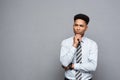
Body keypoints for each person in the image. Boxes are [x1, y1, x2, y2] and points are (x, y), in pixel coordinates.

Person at [60, 13, 98, 80]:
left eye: (81, 26)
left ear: (86, 28)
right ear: (73, 26)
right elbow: (64, 63)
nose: (78, 28)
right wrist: (74, 45)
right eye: (76, 25)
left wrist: (73, 66)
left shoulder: (92, 44)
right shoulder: (65, 42)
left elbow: (93, 66)